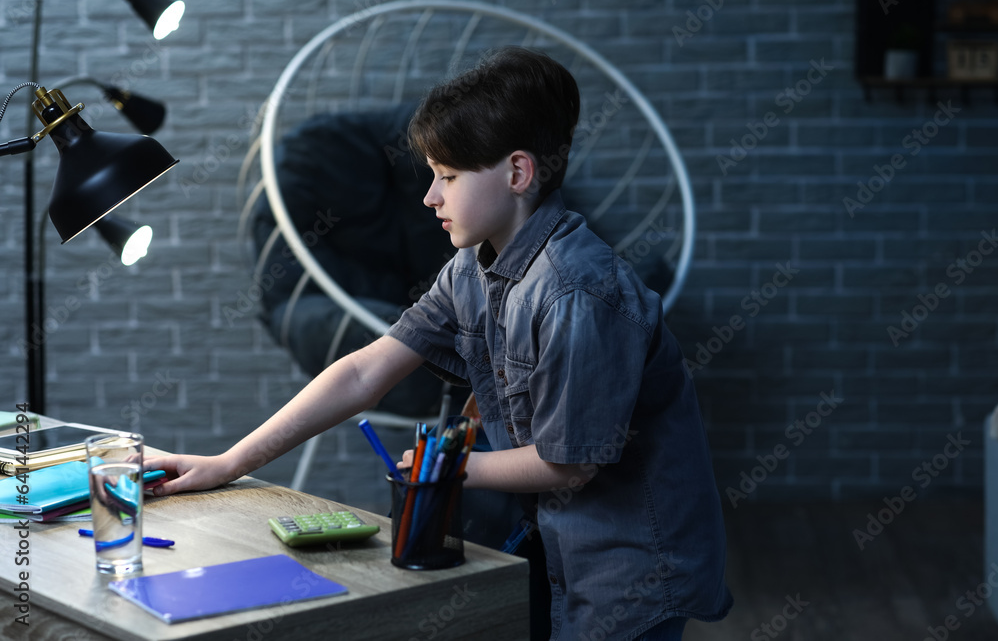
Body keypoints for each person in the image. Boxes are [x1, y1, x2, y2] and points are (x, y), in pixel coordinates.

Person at [146, 46, 732, 641]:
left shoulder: (578, 292)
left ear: (518, 173)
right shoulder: (471, 268)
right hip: (555, 549)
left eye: (447, 177)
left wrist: (448, 469)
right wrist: (228, 462)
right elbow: (361, 373)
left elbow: (571, 461)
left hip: (630, 567)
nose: (430, 196)